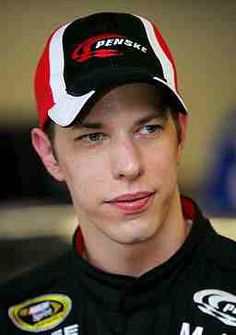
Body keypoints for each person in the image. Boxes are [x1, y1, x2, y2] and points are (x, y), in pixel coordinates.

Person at [0, 12, 235, 335]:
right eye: (93, 136)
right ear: (48, 154)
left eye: (148, 129)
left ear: (180, 134)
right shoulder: (10, 317)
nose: (129, 166)